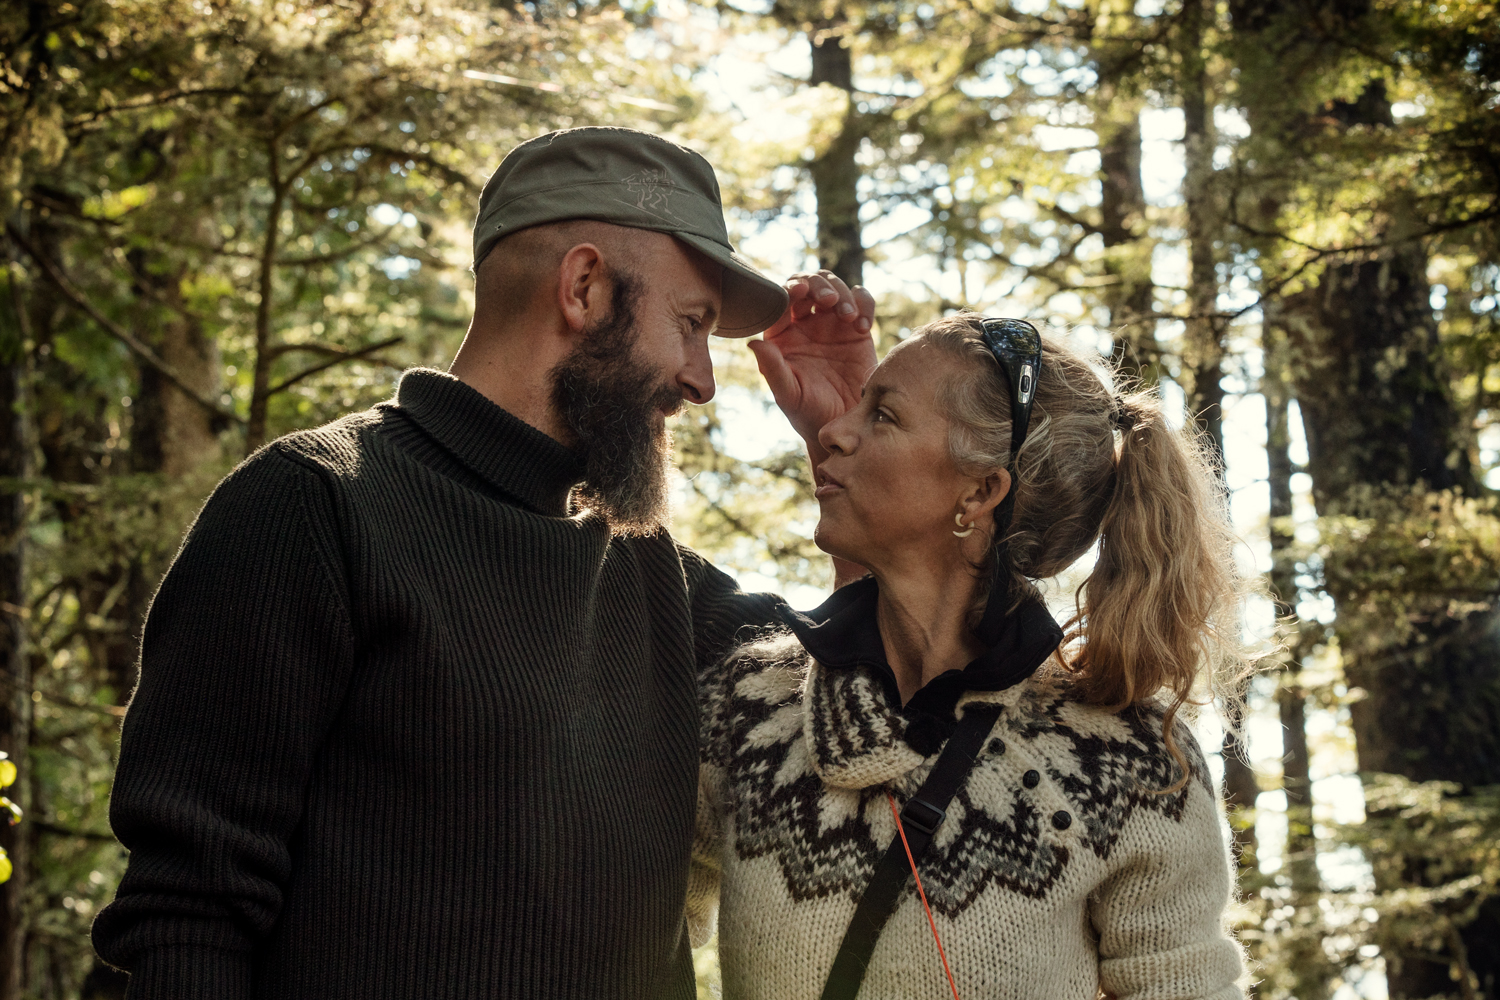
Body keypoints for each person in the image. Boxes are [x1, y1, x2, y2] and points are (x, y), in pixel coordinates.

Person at [90, 126, 877, 999]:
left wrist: (852, 440)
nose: (702, 380)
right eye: (690, 325)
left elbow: (865, 705)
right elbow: (189, 921)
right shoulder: (314, 507)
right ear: (583, 287)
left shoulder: (652, 574)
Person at [690, 313, 1249, 999]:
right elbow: (631, 929)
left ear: (981, 493)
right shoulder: (748, 707)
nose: (833, 430)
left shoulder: (1129, 762)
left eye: (883, 414)